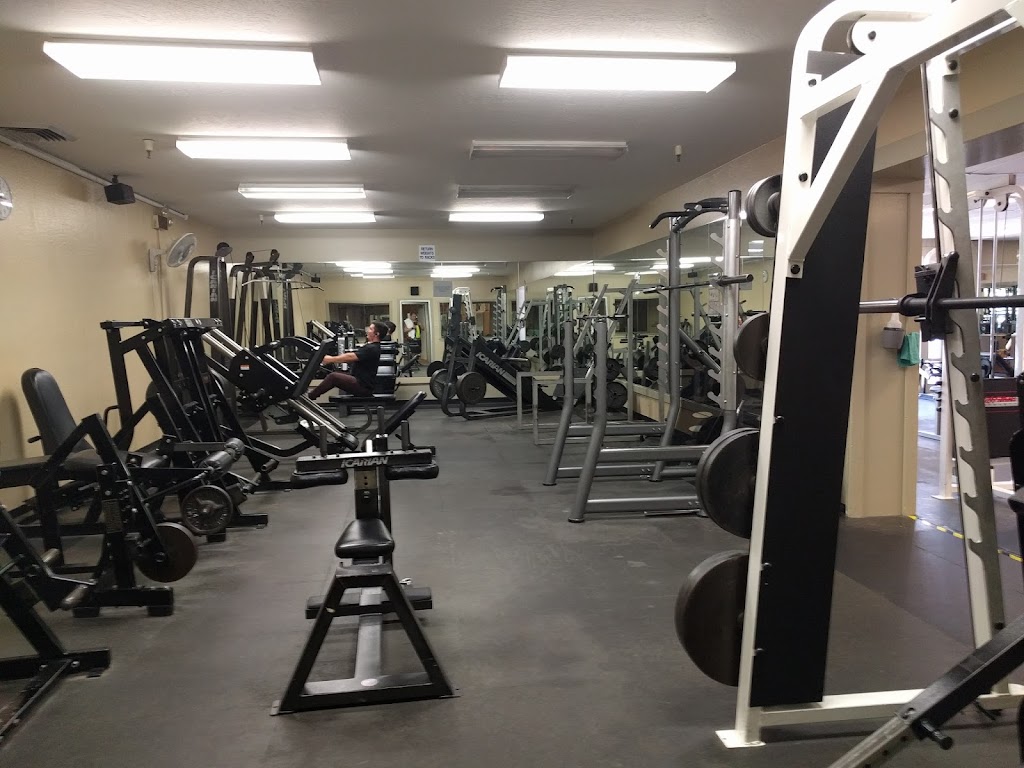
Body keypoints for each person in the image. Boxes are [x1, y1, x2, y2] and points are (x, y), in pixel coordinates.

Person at [308, 321, 386, 398]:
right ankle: (311, 395)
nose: (367, 331)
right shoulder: (371, 346)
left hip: (363, 386)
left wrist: (330, 359)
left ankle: (310, 396)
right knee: (337, 374)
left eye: (371, 329)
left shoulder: (372, 348)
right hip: (361, 382)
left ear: (377, 334)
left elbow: (351, 357)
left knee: (333, 377)